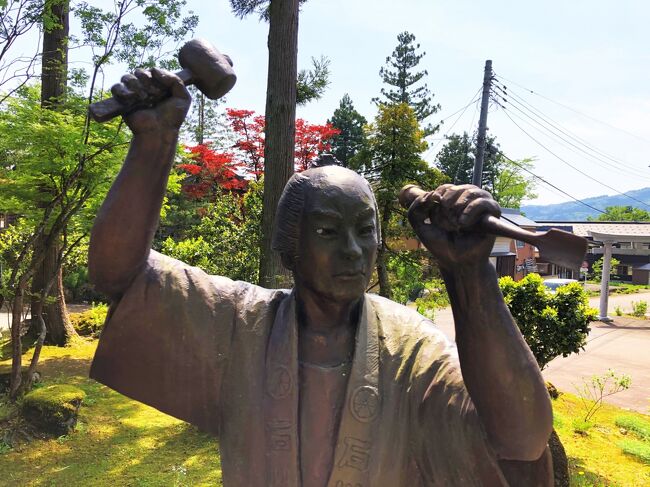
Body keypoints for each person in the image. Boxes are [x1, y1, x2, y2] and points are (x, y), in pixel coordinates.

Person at [89, 68, 553, 486]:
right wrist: (154, 144)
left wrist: (469, 275)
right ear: (291, 246)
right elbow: (120, 275)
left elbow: (522, 438)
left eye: (365, 230)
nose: (352, 251)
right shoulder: (240, 325)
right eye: (328, 231)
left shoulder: (411, 349)